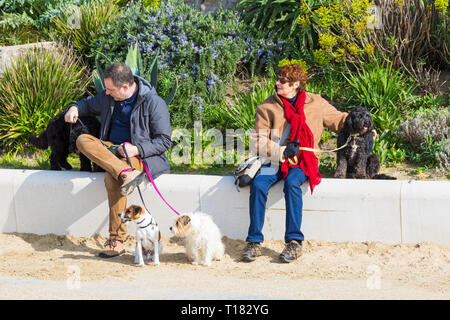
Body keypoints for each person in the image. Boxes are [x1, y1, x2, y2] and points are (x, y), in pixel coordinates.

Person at [242, 63, 348, 263]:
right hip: (275, 160)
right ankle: (254, 241)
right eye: (277, 78)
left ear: (296, 84)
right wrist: (281, 151)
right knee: (258, 184)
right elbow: (258, 140)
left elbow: (339, 120)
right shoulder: (267, 107)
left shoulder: (315, 103)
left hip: (304, 160)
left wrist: (362, 123)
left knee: (292, 183)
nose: (277, 83)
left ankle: (294, 242)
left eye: (282, 80)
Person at [64, 62, 172, 258]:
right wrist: (74, 108)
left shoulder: (154, 103)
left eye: (110, 89)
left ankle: (116, 239)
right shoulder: (108, 98)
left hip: (138, 156)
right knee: (82, 140)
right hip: (111, 150)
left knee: (111, 179)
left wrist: (136, 149)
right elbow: (87, 104)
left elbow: (164, 141)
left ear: (125, 87)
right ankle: (125, 173)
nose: (106, 92)